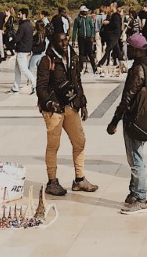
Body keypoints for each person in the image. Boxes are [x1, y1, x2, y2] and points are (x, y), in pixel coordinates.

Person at [36, 30, 97, 197]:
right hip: (54, 109)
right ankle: (52, 182)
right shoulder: (46, 60)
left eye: (66, 40)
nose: (65, 43)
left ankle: (79, 179)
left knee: (80, 141)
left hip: (70, 106)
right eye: (61, 41)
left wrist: (82, 103)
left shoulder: (73, 56)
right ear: (54, 42)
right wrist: (49, 103)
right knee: (53, 146)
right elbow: (40, 87)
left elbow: (77, 81)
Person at [107, 33, 147, 215]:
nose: (126, 50)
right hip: (142, 116)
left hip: (134, 118)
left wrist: (114, 122)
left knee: (136, 159)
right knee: (135, 156)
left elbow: (127, 98)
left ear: (136, 50)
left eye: (129, 47)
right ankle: (134, 193)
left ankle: (142, 198)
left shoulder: (138, 69)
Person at [9, 9, 38, 95]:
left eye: (19, 14)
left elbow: (17, 38)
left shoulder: (23, 26)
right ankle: (16, 87)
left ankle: (35, 84)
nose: (18, 16)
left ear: (24, 15)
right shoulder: (29, 25)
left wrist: (10, 40)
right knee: (17, 69)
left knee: (24, 69)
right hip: (25, 49)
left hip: (22, 49)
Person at [70, 6, 99, 76]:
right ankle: (80, 68)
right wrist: (73, 39)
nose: (87, 12)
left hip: (88, 38)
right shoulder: (77, 19)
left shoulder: (88, 18)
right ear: (82, 11)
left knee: (90, 53)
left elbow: (92, 27)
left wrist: (92, 36)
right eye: (85, 11)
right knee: (81, 53)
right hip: (81, 37)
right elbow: (74, 30)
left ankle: (94, 68)